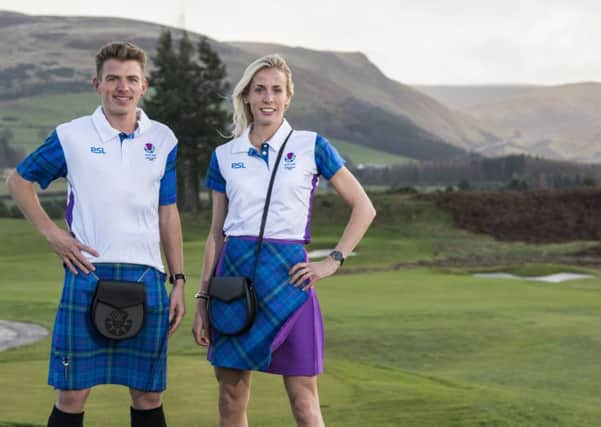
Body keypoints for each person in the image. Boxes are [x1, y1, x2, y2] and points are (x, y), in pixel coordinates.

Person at [6, 41, 185, 427]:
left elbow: (167, 213)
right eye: (113, 79)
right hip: (87, 273)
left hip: (147, 277)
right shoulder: (71, 135)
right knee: (71, 396)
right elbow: (19, 181)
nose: (123, 87)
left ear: (144, 85)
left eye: (131, 79)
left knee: (148, 395)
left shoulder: (164, 139)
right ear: (97, 84)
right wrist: (53, 234)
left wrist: (180, 280)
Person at [192, 54, 376, 427]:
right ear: (246, 96)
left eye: (277, 90)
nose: (268, 98)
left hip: (291, 279)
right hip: (233, 281)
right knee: (230, 397)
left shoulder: (312, 146)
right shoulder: (225, 155)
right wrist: (202, 298)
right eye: (259, 89)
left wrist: (332, 261)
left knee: (304, 400)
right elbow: (216, 233)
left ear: (288, 97)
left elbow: (363, 206)